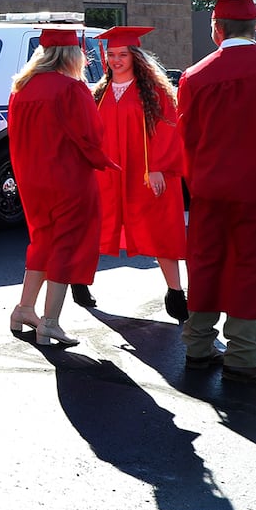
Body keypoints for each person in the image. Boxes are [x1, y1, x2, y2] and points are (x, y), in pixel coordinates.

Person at [6, 27, 116, 347]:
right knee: (66, 247)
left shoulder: (21, 88)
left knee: (42, 241)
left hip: (32, 178)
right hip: (68, 179)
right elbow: (90, 136)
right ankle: (50, 323)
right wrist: (104, 161)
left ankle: (24, 309)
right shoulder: (72, 88)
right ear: (72, 55)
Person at [177, 0, 256, 383]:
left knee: (205, 262)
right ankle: (243, 353)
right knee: (250, 265)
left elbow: (187, 141)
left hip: (209, 188)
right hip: (254, 189)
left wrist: (199, 181)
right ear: (255, 26)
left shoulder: (194, 77)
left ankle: (198, 346)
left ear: (217, 30)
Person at [84, 25, 187, 321]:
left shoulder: (154, 92)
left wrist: (157, 167)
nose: (116, 60)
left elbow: (168, 129)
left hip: (145, 172)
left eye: (123, 54)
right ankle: (79, 281)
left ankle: (176, 291)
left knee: (160, 228)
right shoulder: (100, 92)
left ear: (135, 57)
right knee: (95, 227)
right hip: (109, 172)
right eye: (112, 55)